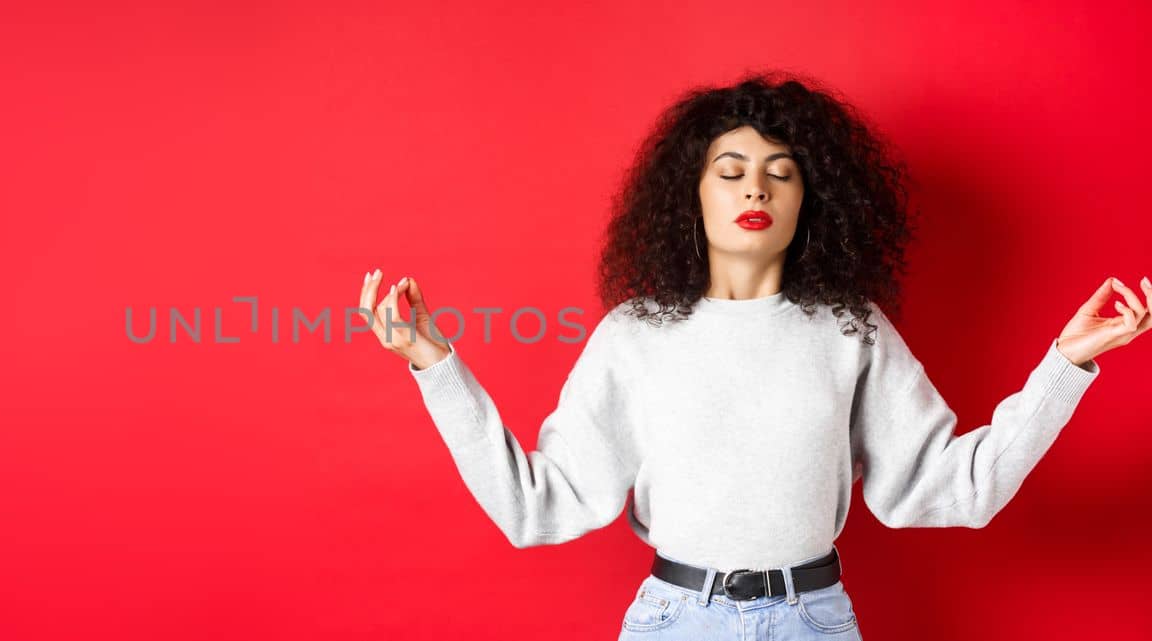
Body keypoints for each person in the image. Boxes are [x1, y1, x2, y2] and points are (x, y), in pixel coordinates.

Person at [354, 71, 1150, 640]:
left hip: (815, 621)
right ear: (691, 195)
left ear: (812, 200)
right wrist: (435, 364)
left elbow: (958, 490)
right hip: (675, 622)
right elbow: (538, 508)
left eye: (781, 174)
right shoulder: (636, 334)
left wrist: (1067, 364)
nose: (755, 191)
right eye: (729, 172)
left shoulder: (850, 329)